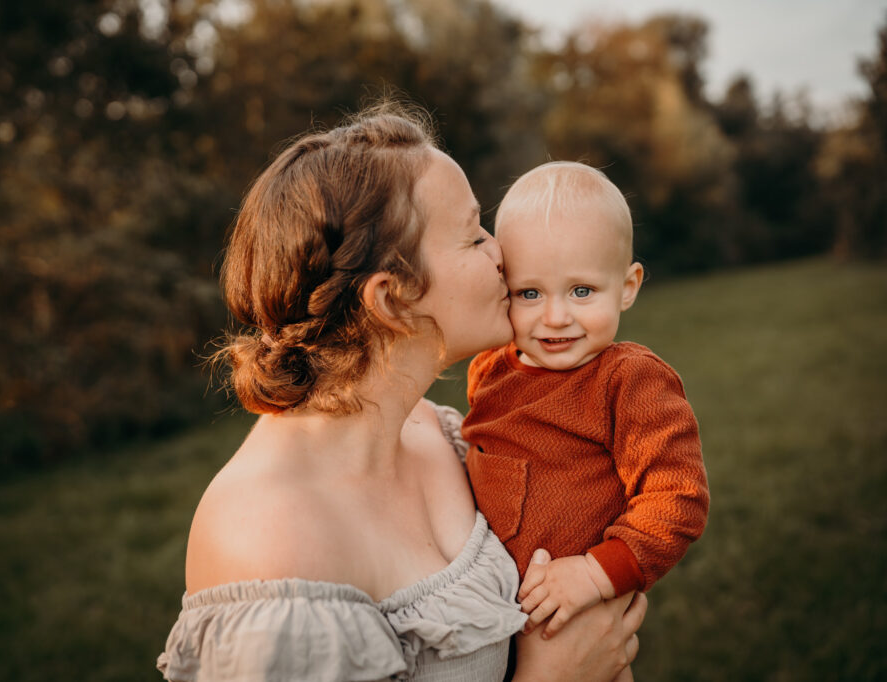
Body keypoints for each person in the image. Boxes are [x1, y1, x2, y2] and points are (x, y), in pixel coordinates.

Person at [156, 109, 646, 681]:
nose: (502, 256)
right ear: (391, 300)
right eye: (473, 235)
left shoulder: (437, 432)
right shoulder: (271, 543)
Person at [461, 162, 709, 677]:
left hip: (578, 633)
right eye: (530, 293)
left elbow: (677, 499)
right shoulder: (489, 371)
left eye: (581, 291)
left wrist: (596, 574)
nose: (555, 317)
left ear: (628, 286)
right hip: (491, 635)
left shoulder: (629, 381)